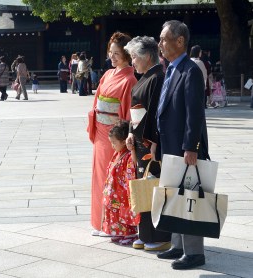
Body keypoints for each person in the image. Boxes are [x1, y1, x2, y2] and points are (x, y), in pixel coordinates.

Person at [155, 20, 209, 270]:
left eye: (165, 39)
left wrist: (191, 146)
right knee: (174, 196)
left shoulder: (191, 70)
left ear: (180, 41)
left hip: (185, 148)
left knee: (190, 198)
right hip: (170, 145)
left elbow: (194, 113)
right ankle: (177, 245)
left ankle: (195, 253)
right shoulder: (171, 69)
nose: (160, 44)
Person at [124, 36, 172, 251]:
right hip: (140, 138)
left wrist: (153, 141)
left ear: (148, 56)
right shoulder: (145, 77)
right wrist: (130, 133)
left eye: (134, 57)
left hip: (151, 141)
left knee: (154, 185)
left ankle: (161, 235)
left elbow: (155, 114)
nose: (132, 61)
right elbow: (135, 112)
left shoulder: (158, 77)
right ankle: (145, 232)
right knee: (143, 185)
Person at [89, 31, 137, 236]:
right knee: (99, 176)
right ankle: (98, 222)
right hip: (101, 131)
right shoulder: (108, 74)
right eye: (111, 53)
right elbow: (97, 99)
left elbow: (127, 113)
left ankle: (111, 223)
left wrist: (123, 137)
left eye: (117, 53)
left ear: (126, 54)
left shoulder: (130, 79)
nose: (113, 57)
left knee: (113, 178)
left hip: (115, 136)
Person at [102, 120, 139, 245]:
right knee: (114, 212)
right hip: (115, 190)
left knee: (125, 212)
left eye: (114, 143)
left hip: (122, 190)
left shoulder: (128, 155)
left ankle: (130, 233)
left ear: (124, 142)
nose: (112, 145)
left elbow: (132, 167)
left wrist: (132, 149)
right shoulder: (118, 153)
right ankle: (118, 231)